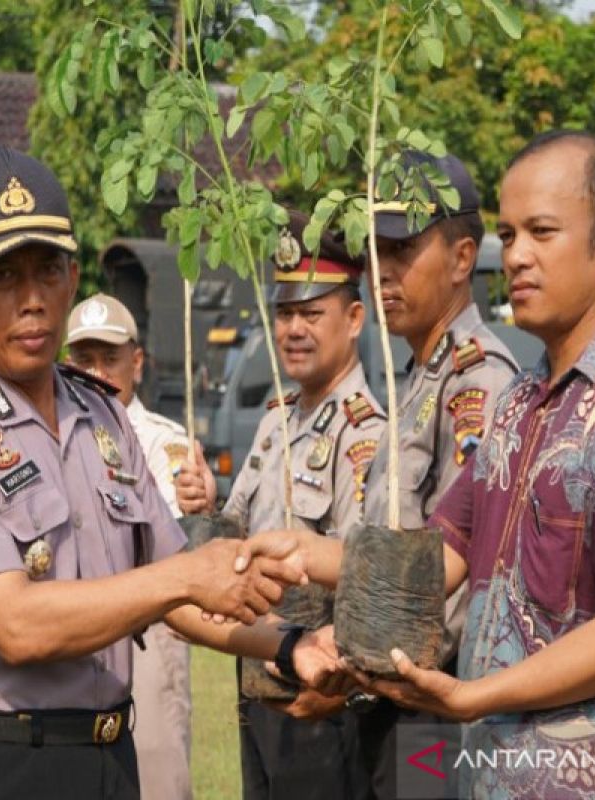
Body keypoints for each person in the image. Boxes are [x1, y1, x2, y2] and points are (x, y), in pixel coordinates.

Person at [245, 131, 595, 797]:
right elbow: (439, 558)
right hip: (493, 771)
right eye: (510, 234)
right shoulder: (522, 405)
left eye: (542, 232)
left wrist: (472, 695)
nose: (517, 256)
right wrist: (300, 551)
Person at [0, 145, 319, 800]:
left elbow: (183, 601)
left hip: (112, 759)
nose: (31, 301)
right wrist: (186, 576)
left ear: (73, 277)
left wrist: (290, 646)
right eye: (3, 276)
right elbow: (18, 626)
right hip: (2, 765)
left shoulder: (102, 415)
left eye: (48, 271)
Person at [176, 211, 383, 800]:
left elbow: (366, 578)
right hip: (259, 688)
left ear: (354, 318)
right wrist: (206, 505)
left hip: (321, 702)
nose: (294, 329)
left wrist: (332, 682)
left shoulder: (364, 435)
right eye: (286, 312)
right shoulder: (276, 423)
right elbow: (236, 531)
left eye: (311, 313)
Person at [350, 150, 518, 800]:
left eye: (403, 250)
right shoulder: (421, 373)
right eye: (375, 253)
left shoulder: (476, 379)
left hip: (431, 697)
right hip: (390, 690)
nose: (382, 273)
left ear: (461, 258)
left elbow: (464, 556)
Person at [65, 293, 194, 800]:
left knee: (158, 770)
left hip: (151, 631)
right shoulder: (55, 435)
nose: (96, 371)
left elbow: (169, 548)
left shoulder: (163, 442)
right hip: (76, 629)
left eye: (109, 358)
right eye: (83, 358)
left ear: (136, 363)